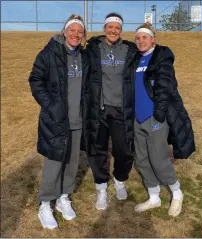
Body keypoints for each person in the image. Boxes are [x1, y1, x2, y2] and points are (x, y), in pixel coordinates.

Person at [29, 14, 90, 229]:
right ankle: (45, 203)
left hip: (77, 121)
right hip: (56, 121)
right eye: (72, 30)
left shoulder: (84, 56)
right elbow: (35, 80)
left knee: (72, 164)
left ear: (83, 36)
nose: (75, 35)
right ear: (64, 32)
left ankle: (64, 197)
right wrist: (51, 106)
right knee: (54, 164)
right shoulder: (49, 53)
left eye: (79, 32)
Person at [133, 22, 195, 217]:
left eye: (145, 37)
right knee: (142, 159)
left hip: (155, 118)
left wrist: (158, 116)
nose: (141, 40)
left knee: (159, 159)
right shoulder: (135, 60)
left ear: (153, 39)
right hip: (137, 118)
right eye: (138, 37)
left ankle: (177, 193)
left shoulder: (161, 58)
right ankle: (154, 197)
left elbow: (165, 87)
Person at [85, 12, 137, 210]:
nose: (113, 30)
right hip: (100, 108)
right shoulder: (92, 49)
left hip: (122, 109)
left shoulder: (130, 50)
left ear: (121, 30)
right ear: (104, 28)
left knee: (123, 150)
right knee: (97, 149)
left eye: (117, 27)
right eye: (110, 27)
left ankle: (120, 180)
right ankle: (101, 187)